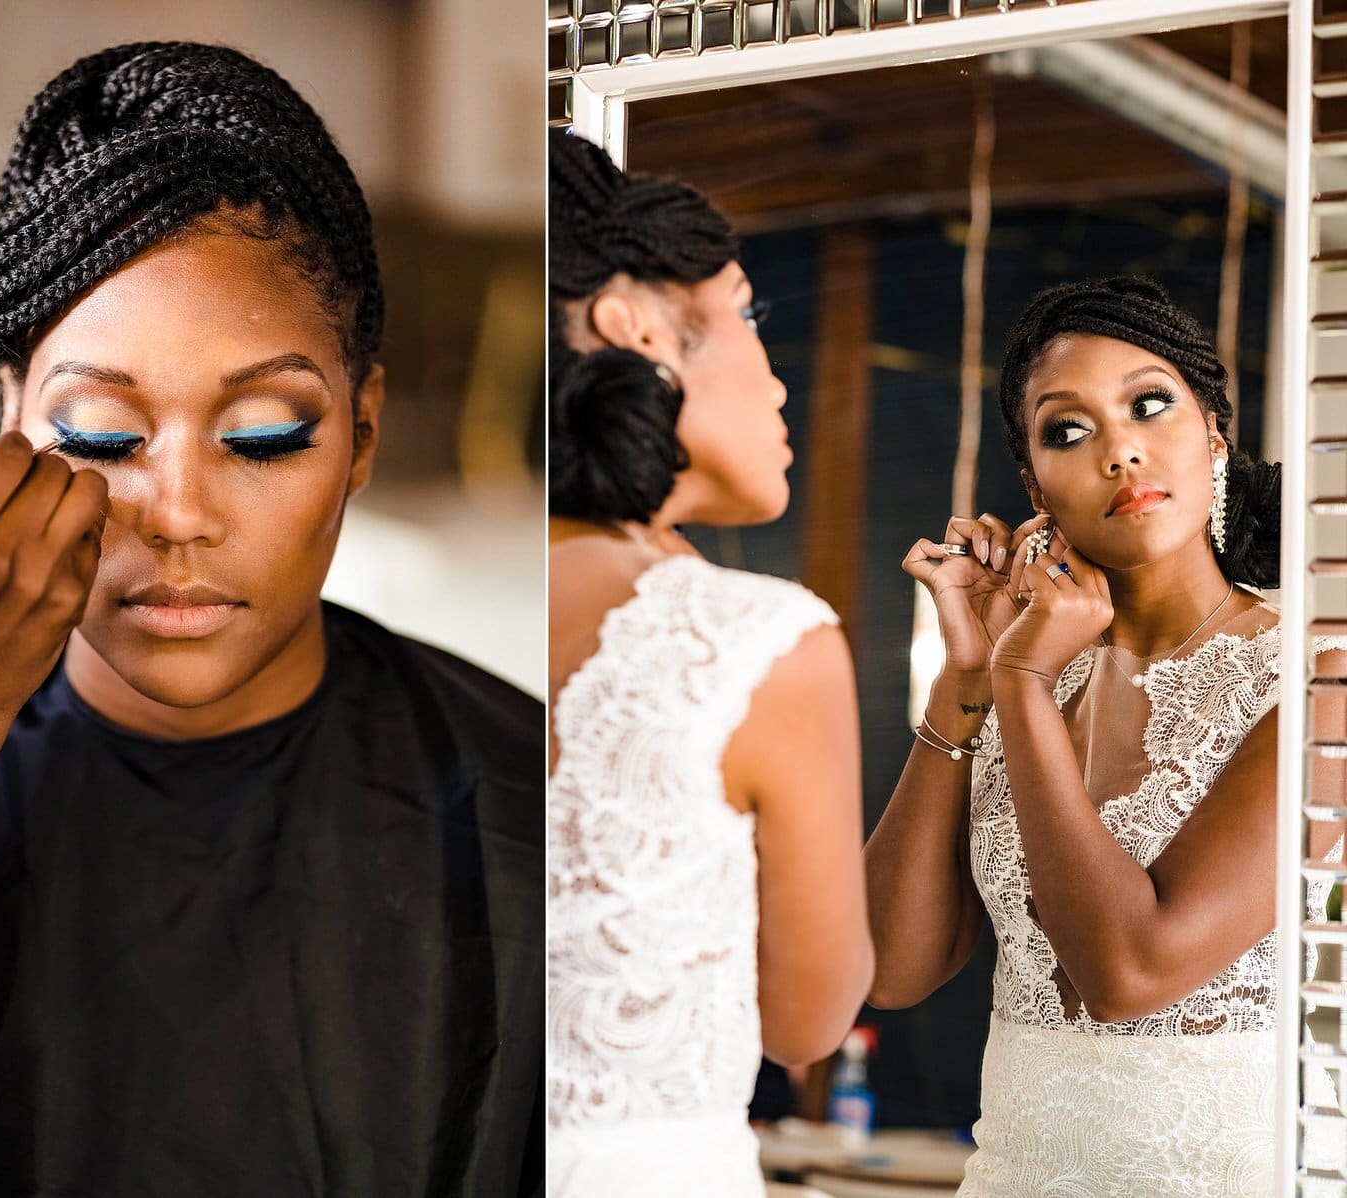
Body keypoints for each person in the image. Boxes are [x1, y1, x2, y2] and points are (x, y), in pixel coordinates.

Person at [0, 42, 542, 1197]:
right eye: (104, 438)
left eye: (265, 434)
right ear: (2, 433)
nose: (177, 514)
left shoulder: (548, 806)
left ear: (362, 433)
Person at [864, 276, 1346, 1196]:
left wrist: (1022, 681)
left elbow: (1129, 972)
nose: (1120, 450)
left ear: (1213, 433)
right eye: (1068, 431)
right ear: (1034, 482)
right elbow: (891, 968)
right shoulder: (1024, 671)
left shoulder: (1321, 677)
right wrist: (970, 677)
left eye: (1149, 405)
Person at [546, 132, 873, 1197]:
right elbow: (807, 1021)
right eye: (748, 312)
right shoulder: (749, 643)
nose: (776, 380)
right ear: (632, 322)